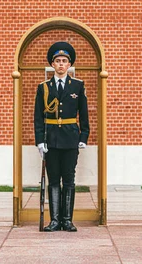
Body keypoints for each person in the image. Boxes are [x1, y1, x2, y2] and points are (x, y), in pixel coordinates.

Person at [34, 41, 89, 232]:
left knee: (69, 179)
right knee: (53, 179)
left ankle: (67, 220)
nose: (60, 64)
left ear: (69, 65)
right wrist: (40, 141)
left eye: (64, 61)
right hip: (51, 140)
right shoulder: (44, 87)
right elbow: (38, 117)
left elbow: (84, 113)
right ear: (52, 64)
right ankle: (55, 220)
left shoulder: (78, 86)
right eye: (57, 61)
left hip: (70, 139)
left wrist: (84, 137)